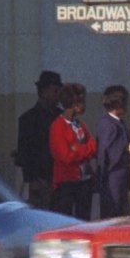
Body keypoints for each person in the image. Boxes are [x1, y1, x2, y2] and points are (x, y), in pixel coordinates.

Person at [50, 82, 97, 220]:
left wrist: (77, 148)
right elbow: (65, 156)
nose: (85, 105)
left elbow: (93, 147)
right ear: (74, 104)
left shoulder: (80, 124)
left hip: (84, 182)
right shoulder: (57, 126)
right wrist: (83, 150)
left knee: (84, 220)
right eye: (82, 102)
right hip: (66, 184)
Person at [17, 70, 63, 209]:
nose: (58, 96)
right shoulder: (28, 119)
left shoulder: (62, 117)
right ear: (43, 92)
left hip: (60, 178)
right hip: (41, 179)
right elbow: (24, 151)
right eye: (55, 91)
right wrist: (31, 179)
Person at [96, 85, 130, 219]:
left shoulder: (118, 122)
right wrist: (128, 151)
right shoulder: (108, 124)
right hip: (113, 176)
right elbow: (107, 152)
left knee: (122, 213)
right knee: (112, 213)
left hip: (121, 177)